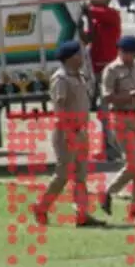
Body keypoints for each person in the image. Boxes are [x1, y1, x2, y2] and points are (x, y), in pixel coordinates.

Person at [32, 41, 104, 228]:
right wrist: (68, 132)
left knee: (80, 175)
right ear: (71, 58)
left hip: (81, 131)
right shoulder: (61, 79)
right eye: (79, 55)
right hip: (67, 132)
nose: (82, 59)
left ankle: (82, 214)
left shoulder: (78, 76)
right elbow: (60, 108)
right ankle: (41, 207)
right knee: (63, 175)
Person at [100, 36, 135, 218]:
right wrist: (129, 96)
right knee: (134, 163)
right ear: (121, 51)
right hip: (121, 118)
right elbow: (106, 98)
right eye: (130, 53)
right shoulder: (112, 70)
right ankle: (108, 191)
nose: (133, 56)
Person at [79, 0, 122, 161]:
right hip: (96, 69)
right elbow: (89, 38)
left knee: (106, 111)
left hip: (109, 69)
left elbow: (89, 10)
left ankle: (112, 149)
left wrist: (82, 8)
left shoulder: (110, 14)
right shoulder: (95, 17)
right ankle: (110, 147)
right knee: (102, 112)